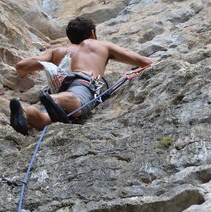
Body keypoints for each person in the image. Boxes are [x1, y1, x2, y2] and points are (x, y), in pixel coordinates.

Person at [9, 16, 156, 135]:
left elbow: (22, 66)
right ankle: (54, 100)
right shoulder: (98, 45)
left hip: (63, 87)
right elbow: (143, 61)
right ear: (93, 33)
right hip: (82, 84)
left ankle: (26, 111)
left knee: (44, 120)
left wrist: (27, 70)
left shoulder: (59, 51)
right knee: (77, 100)